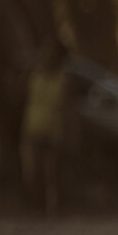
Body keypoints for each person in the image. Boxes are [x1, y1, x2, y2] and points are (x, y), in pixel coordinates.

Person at [22, 40, 68, 216]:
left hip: (54, 129)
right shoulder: (33, 76)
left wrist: (70, 133)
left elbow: (69, 110)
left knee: (52, 172)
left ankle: (54, 208)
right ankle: (35, 207)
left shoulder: (64, 80)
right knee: (33, 171)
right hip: (32, 128)